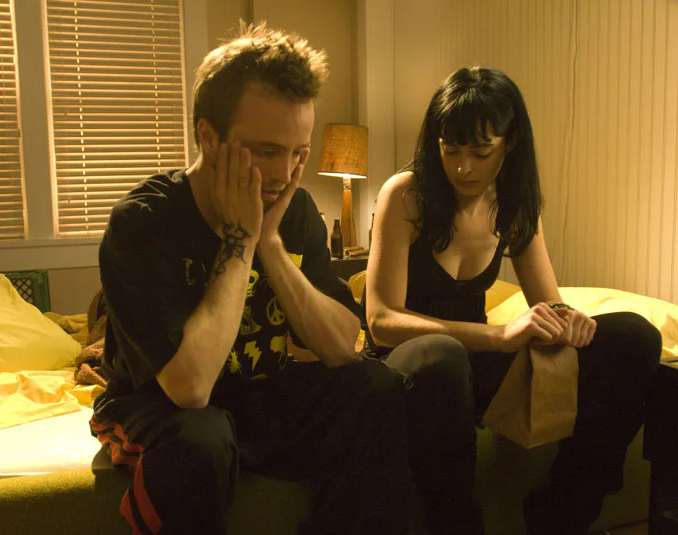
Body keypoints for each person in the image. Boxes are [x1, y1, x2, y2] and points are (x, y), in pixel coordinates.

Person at [90, 23, 412, 535]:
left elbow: (341, 347)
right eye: (265, 152)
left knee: (375, 386)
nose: (284, 173)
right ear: (208, 137)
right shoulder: (143, 222)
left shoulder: (293, 208)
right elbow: (189, 388)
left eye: (298, 152)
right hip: (158, 405)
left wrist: (271, 244)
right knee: (200, 442)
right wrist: (240, 241)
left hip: (261, 392)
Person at [363, 66, 662, 535]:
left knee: (633, 336)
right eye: (450, 150)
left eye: (480, 152)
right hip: (410, 365)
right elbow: (381, 320)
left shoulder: (514, 202)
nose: (463, 167)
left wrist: (567, 321)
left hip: (478, 361)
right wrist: (498, 336)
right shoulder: (405, 195)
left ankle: (563, 510)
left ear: (510, 142)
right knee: (442, 356)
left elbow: (550, 301)